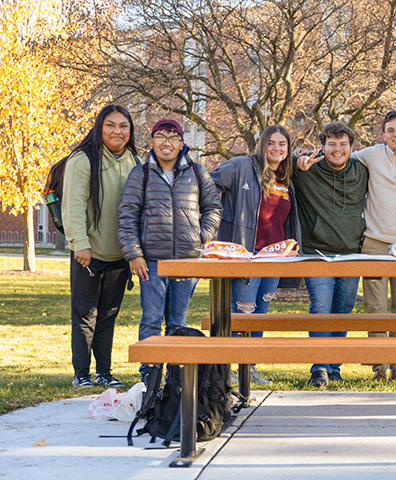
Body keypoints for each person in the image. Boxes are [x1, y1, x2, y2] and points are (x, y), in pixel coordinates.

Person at [117, 118, 222, 383]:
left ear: (182, 143)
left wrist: (201, 236)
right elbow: (127, 216)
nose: (167, 142)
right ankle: (150, 378)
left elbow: (213, 208)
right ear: (151, 142)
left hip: (188, 262)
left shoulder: (198, 172)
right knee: (151, 320)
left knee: (178, 322)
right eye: (161, 136)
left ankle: (175, 379)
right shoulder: (140, 174)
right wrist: (133, 254)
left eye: (173, 137)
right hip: (152, 262)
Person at [211, 125, 301, 385]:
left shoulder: (286, 179)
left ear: (287, 149)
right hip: (246, 256)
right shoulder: (241, 166)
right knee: (242, 313)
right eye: (271, 143)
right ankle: (227, 370)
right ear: (262, 145)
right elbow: (207, 183)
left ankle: (249, 368)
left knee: (260, 314)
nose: (276, 148)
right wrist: (216, 220)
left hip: (274, 258)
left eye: (282, 144)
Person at [62, 105, 140, 389]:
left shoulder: (134, 160)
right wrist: (80, 244)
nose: (117, 131)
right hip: (89, 253)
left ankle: (104, 372)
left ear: (130, 131)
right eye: (110, 125)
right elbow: (72, 206)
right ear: (99, 127)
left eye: (123, 126)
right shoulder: (83, 160)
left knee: (108, 315)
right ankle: (81, 373)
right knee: (85, 314)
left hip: (120, 254)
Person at [293, 122, 369, 388]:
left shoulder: (362, 171)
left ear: (351, 147)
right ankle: (319, 368)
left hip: (351, 251)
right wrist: (297, 161)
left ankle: (334, 366)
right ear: (322, 146)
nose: (338, 149)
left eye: (343, 144)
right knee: (321, 307)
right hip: (316, 251)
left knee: (343, 310)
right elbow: (278, 161)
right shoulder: (306, 169)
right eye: (332, 144)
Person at [352, 111, 396, 381]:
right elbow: (338, 157)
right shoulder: (370, 155)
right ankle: (379, 365)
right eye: (390, 130)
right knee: (375, 306)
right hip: (375, 242)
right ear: (383, 135)